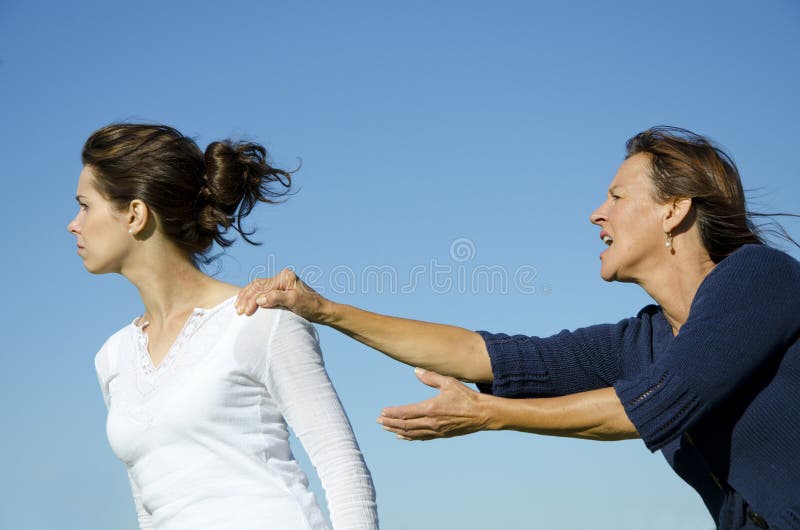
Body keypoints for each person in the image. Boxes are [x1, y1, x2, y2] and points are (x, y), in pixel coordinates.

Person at [235, 127, 800, 530]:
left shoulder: (757, 277)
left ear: (675, 210)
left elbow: (656, 403)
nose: (596, 213)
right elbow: (489, 356)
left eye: (617, 196)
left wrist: (491, 415)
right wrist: (322, 308)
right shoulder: (643, 341)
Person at [68, 123, 378, 530]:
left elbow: (342, 467)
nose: (74, 223)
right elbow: (150, 506)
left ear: (135, 214)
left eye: (85, 205)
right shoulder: (113, 357)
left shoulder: (257, 320)